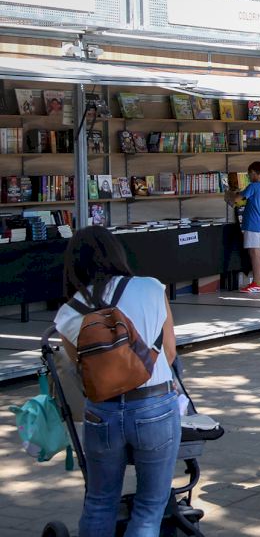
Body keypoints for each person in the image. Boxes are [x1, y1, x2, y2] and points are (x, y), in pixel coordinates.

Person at [55, 226, 179, 537]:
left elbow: (82, 369)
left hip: (102, 412)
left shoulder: (68, 313)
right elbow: (170, 352)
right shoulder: (151, 288)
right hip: (154, 405)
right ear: (116, 253)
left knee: (99, 501)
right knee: (149, 507)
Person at [225, 160, 260, 293]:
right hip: (259, 222)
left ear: (254, 173)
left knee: (254, 254)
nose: (249, 177)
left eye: (249, 174)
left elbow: (237, 199)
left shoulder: (253, 186)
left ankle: (256, 282)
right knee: (258, 253)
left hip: (252, 223)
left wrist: (229, 194)